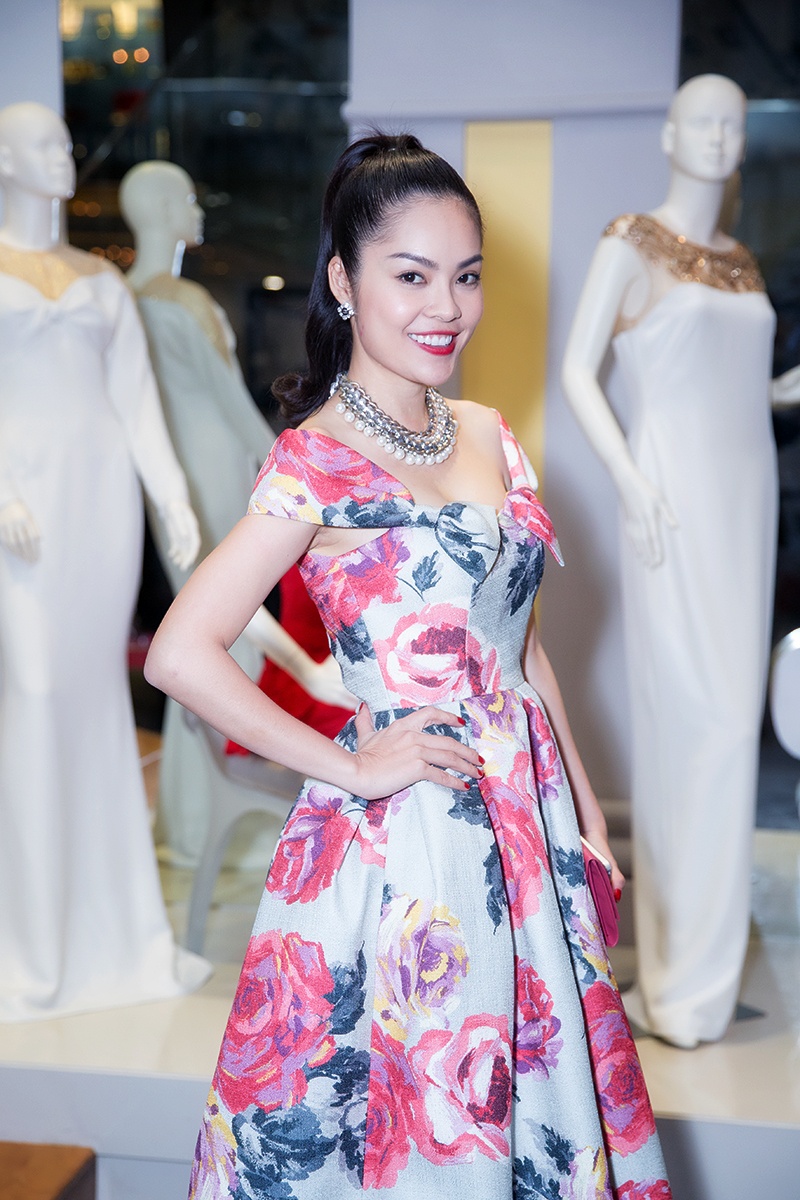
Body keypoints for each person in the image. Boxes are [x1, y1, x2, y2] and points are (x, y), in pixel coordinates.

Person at [147, 134, 671, 1198]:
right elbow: (179, 652)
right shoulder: (314, 461)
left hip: (526, 821)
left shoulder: (487, 432)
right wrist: (349, 765)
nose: (447, 307)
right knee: (434, 1113)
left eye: (466, 276)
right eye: (412, 275)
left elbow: (522, 645)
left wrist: (585, 814)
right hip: (412, 840)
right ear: (343, 282)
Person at [561, 75, 777, 1050]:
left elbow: (731, 382)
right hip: (669, 497)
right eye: (702, 120)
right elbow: (577, 370)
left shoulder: (739, 260)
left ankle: (703, 974)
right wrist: (628, 478)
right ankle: (678, 978)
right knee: (692, 724)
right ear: (667, 133)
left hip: (746, 499)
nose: (719, 136)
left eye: (733, 122)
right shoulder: (632, 239)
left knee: (730, 729)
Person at [0, 101, 209, 1019]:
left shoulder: (102, 281)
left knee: (91, 700)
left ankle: (114, 934)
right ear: (3, 160)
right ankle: (31, 945)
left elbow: (137, 407)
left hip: (100, 507)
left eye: (62, 141)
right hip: (20, 507)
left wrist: (173, 500)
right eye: (41, 143)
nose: (62, 154)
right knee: (33, 692)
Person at [120, 160, 352, 868]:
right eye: (188, 199)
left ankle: (196, 821)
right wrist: (290, 458)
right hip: (216, 461)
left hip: (174, 467)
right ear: (160, 209)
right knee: (223, 630)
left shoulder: (125, 297)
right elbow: (228, 400)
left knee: (205, 628)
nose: (199, 210)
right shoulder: (179, 299)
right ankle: (221, 823)